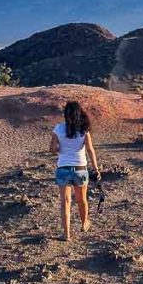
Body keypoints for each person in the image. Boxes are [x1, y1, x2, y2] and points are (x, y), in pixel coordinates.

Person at [49, 100, 101, 240]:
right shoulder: (84, 130)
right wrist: (95, 168)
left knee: (65, 202)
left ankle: (66, 234)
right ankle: (84, 223)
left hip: (63, 168)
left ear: (65, 114)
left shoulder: (58, 129)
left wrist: (61, 150)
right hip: (80, 168)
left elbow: (52, 149)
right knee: (82, 199)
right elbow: (90, 150)